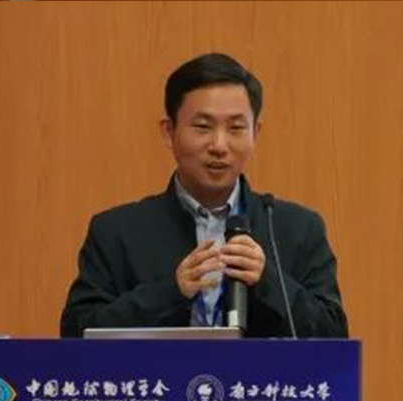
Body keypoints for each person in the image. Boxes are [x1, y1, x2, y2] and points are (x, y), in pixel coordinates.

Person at [60, 53, 348, 338]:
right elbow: (75, 332)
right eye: (202, 127)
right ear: (169, 132)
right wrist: (170, 293)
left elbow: (335, 336)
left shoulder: (297, 228)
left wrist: (269, 282)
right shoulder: (116, 231)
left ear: (255, 134)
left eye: (236, 128)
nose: (219, 145)